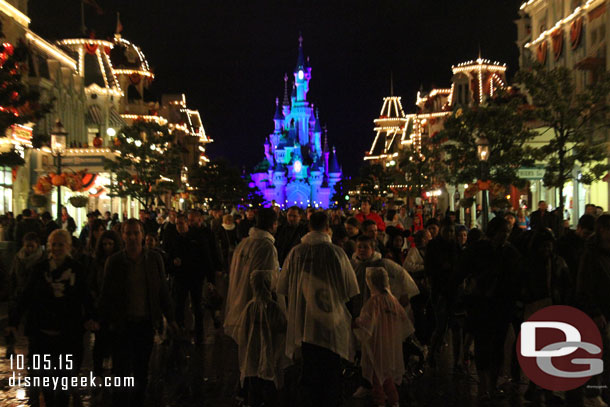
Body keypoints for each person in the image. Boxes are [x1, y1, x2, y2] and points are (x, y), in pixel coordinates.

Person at [6, 230, 96, 407]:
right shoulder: (39, 269)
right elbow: (26, 295)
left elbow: (86, 295)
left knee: (63, 382)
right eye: (53, 244)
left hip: (68, 335)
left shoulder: (77, 269)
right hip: (42, 334)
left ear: (68, 246)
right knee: (45, 381)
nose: (56, 248)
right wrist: (13, 321)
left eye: (61, 244)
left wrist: (92, 317)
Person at [278, 211, 359, 407]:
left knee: (310, 368)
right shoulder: (336, 253)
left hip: (305, 320)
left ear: (308, 226)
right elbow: (350, 289)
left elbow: (283, 287)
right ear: (327, 227)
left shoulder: (296, 253)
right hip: (331, 320)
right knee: (331, 368)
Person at [98, 219, 176, 407]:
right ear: (122, 236)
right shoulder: (115, 261)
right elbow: (106, 294)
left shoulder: (154, 259)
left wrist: (171, 319)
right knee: (121, 371)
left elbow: (162, 291)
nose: (132, 237)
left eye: (136, 233)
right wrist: (101, 323)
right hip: (122, 325)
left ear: (142, 235)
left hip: (145, 324)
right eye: (128, 233)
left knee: (141, 370)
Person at [459, 217, 521, 403]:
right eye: (503, 231)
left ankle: (492, 384)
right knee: (482, 344)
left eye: (508, 232)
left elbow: (516, 277)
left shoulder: (510, 252)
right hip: (481, 304)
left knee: (498, 346)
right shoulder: (478, 250)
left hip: (501, 305)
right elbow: (463, 272)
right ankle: (484, 385)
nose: (506, 235)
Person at [354, 267, 409, 407]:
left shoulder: (374, 302)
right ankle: (394, 400)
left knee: (377, 376)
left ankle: (380, 402)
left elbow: (366, 322)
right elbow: (404, 320)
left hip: (377, 346)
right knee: (387, 375)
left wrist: (354, 323)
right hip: (391, 345)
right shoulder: (393, 301)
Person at [224, 208, 280, 341]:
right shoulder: (266, 247)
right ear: (273, 224)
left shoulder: (244, 243)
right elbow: (267, 280)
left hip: (240, 302)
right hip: (257, 309)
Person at [236, 269, 288, 407]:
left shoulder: (250, 307)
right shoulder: (273, 308)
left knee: (255, 389)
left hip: (252, 354)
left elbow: (243, 332)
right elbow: (283, 327)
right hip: (270, 356)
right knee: (270, 388)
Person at [167, 214, 215, 345]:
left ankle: (199, 334)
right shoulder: (174, 238)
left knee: (197, 305)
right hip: (180, 277)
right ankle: (180, 332)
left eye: (181, 223)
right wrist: (173, 264)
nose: (179, 226)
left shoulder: (197, 237)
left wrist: (211, 278)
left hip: (195, 277)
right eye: (177, 224)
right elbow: (168, 257)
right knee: (179, 305)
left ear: (187, 223)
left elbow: (206, 257)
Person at [89, 230, 122, 378]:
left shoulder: (120, 261)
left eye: (110, 244)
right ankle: (98, 372)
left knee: (116, 341)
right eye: (104, 244)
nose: (107, 247)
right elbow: (92, 283)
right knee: (100, 341)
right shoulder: (96, 263)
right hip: (100, 306)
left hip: (115, 306)